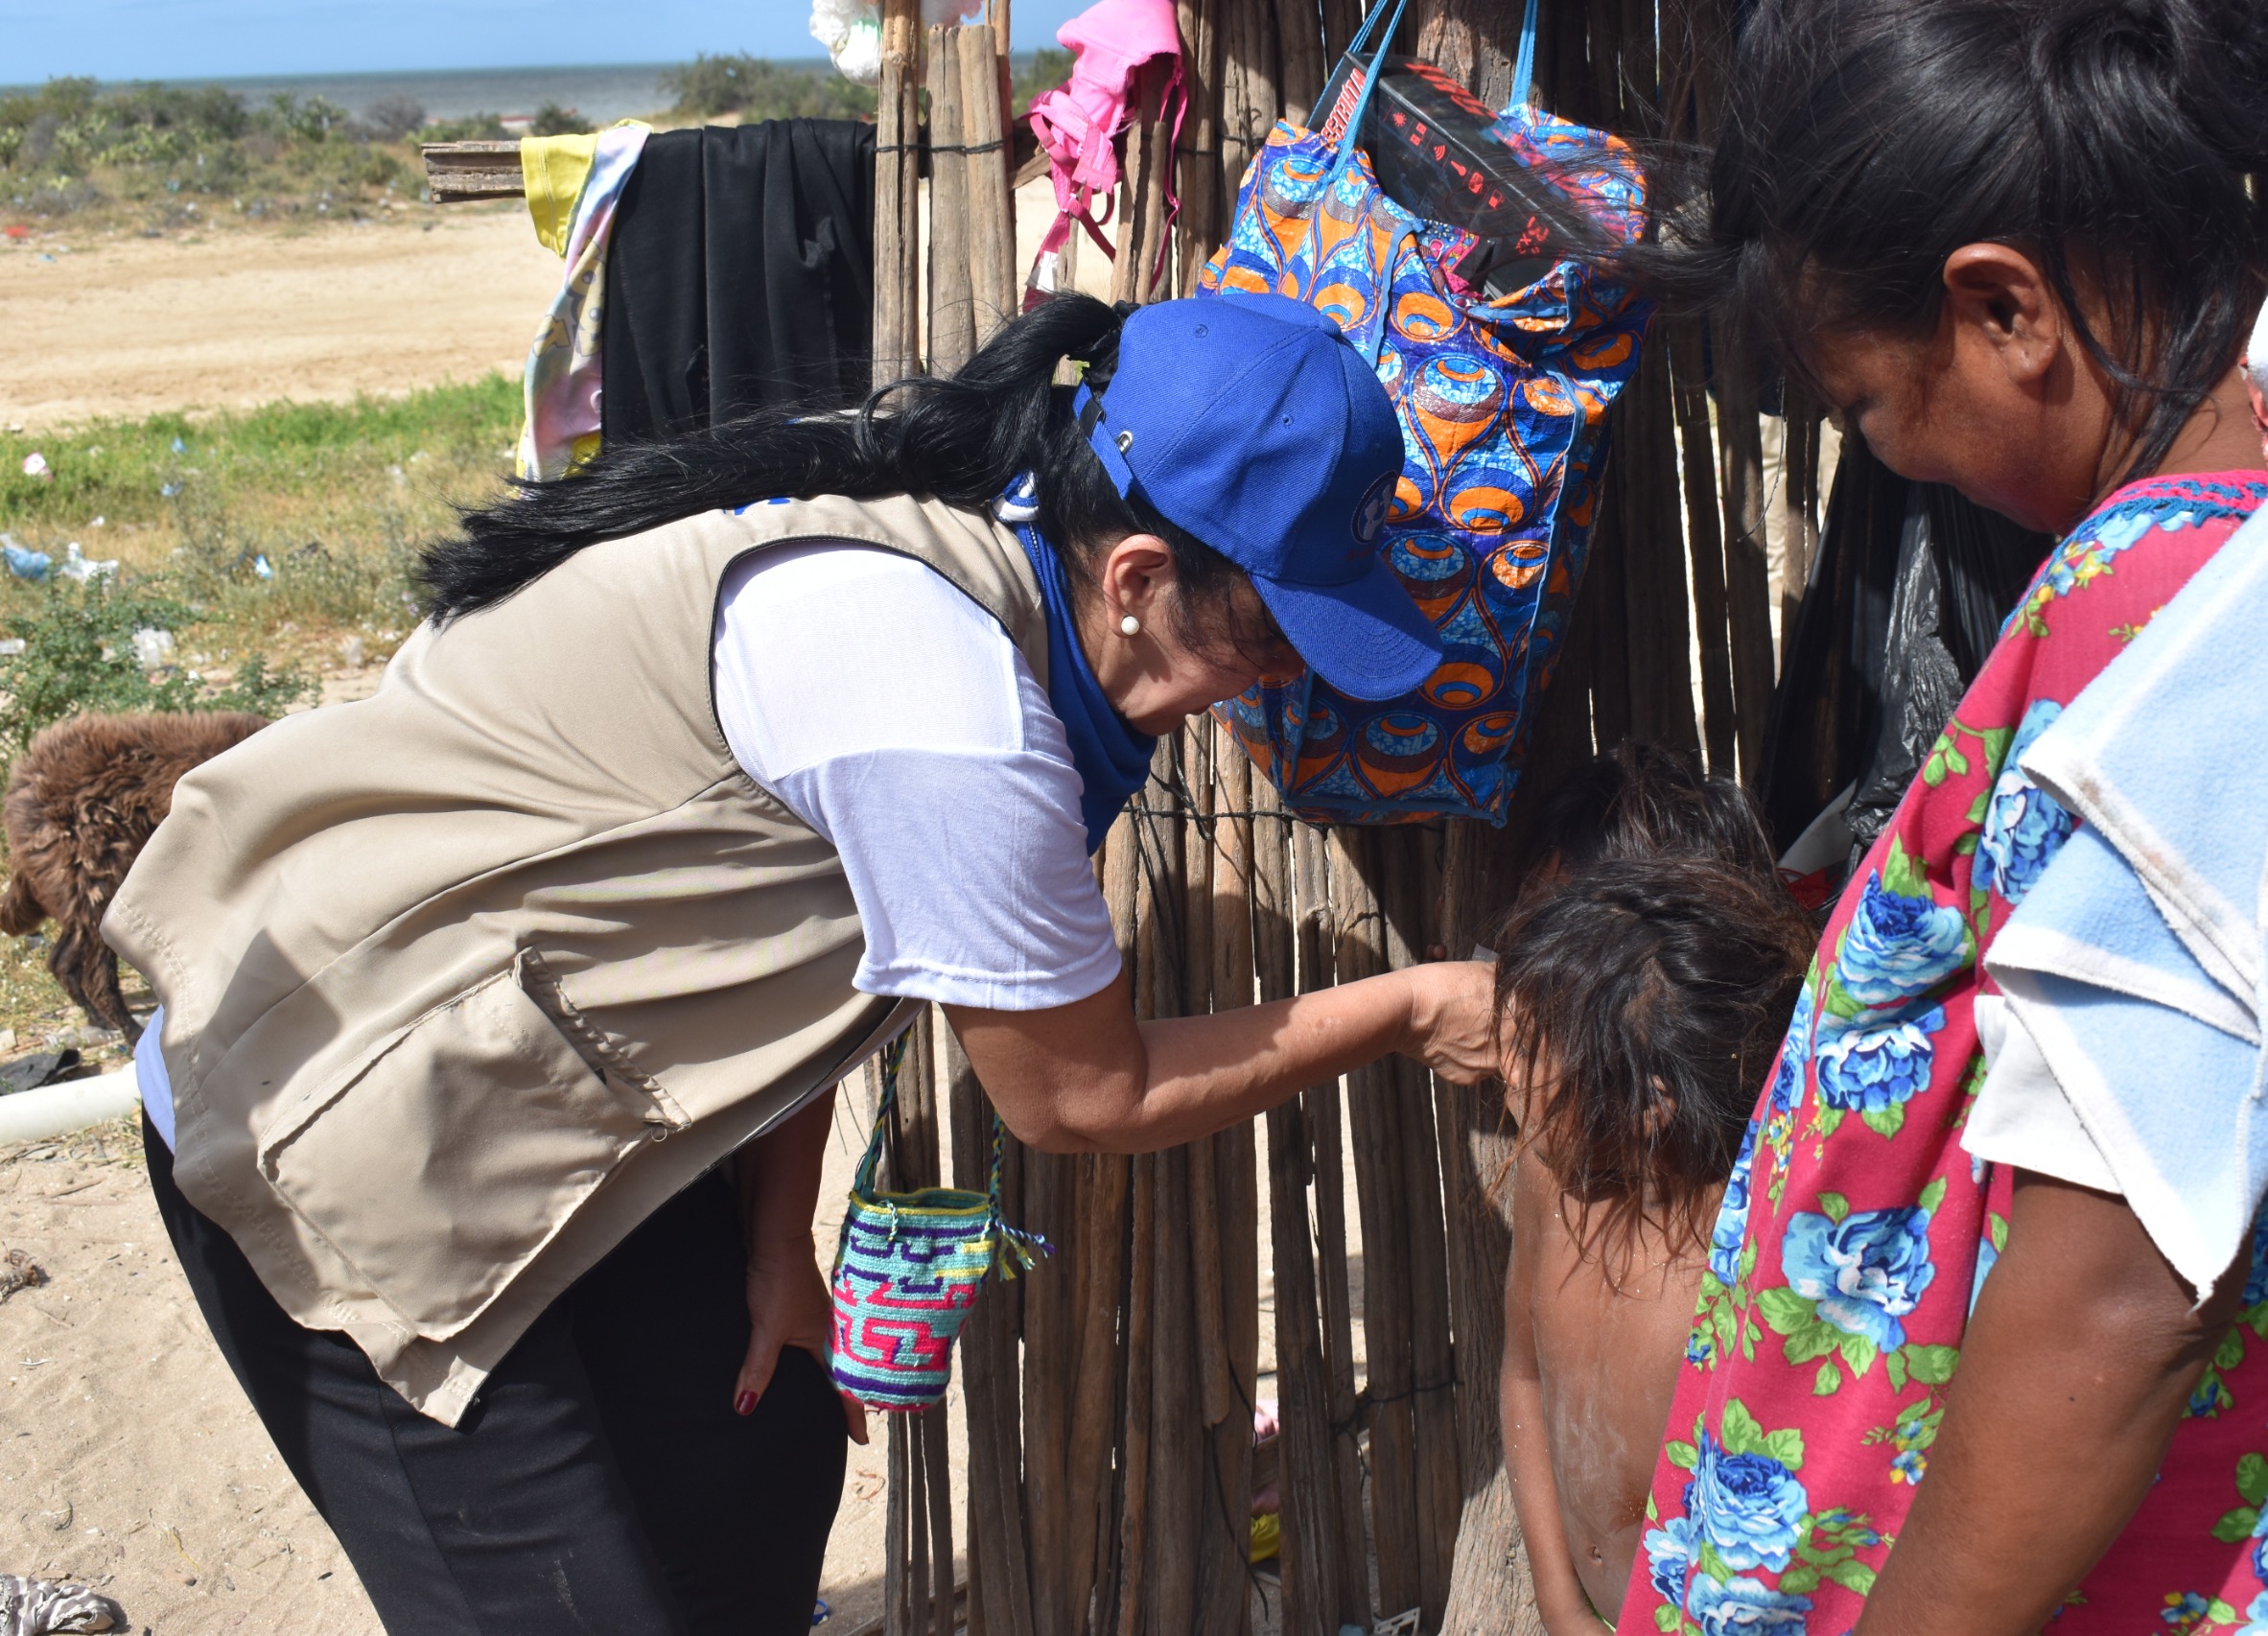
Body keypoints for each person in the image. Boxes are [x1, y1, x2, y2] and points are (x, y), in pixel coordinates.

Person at [104, 290, 1499, 1636]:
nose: (1281, 675)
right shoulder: (949, 707)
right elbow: (1083, 1092)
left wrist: (778, 1240)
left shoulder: (969, 522)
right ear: (1136, 575)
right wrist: (1412, 1004)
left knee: (754, 1477)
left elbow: (809, 919)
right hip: (342, 1122)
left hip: (531, 1082)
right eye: (1271, 629)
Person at [1613, 2, 2268, 1633]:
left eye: (1868, 407)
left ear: (2007, 310)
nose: (1893, 456)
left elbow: (2115, 1297)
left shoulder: (2175, 604)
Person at [1494, 747, 1813, 1634]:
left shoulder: (1747, 1244)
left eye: (1532, 1052)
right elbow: (1522, 1373)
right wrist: (1562, 1603)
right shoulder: (1548, 1178)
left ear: (1647, 1098)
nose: (1504, 1077)